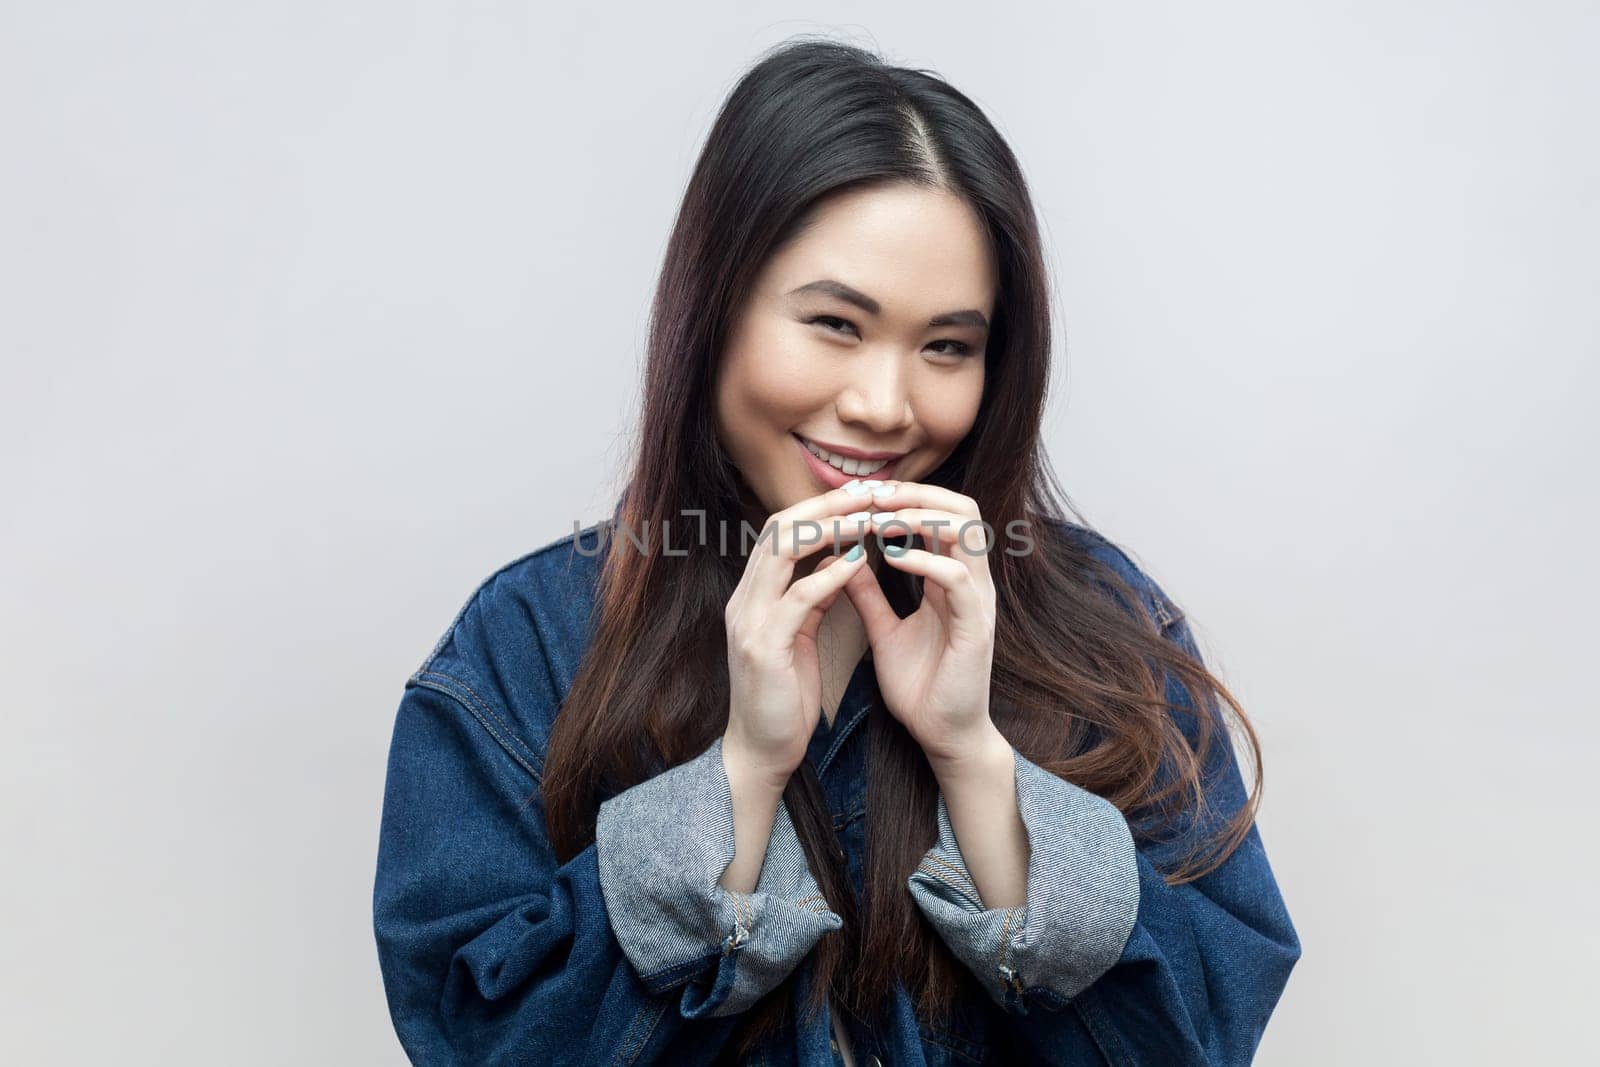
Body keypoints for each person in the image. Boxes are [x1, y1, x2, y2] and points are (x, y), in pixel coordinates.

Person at [373, 36, 1300, 1066]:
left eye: (946, 345)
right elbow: (476, 1041)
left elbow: (1200, 1041)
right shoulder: (527, 646)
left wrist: (974, 761)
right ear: (714, 309)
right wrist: (739, 775)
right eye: (833, 324)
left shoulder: (1103, 621)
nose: (884, 405)